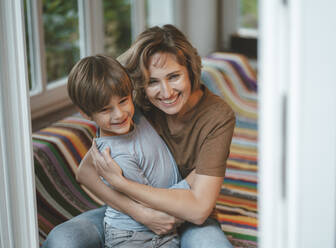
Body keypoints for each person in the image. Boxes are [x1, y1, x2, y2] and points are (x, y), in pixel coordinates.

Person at [42, 24, 235, 248]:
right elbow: (86, 173)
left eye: (174, 76)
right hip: (131, 219)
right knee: (62, 240)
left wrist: (120, 183)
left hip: (190, 216)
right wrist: (141, 214)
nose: (166, 92)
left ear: (190, 70)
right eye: (153, 81)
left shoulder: (217, 116)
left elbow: (200, 210)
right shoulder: (133, 102)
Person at [65, 54, 189, 248]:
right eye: (106, 110)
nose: (119, 114)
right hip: (134, 236)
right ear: (86, 114)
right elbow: (150, 202)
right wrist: (193, 186)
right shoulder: (114, 155)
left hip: (161, 229)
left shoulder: (136, 116)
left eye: (123, 101)